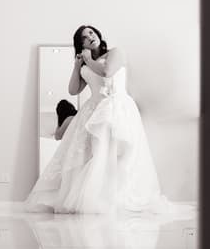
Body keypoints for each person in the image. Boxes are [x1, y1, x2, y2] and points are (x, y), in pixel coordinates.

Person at [24, 25, 172, 214]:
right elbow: (73, 90)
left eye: (91, 33)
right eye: (84, 38)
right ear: (81, 44)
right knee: (93, 155)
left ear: (99, 35)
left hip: (117, 107)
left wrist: (86, 59)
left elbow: (107, 72)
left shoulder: (115, 53)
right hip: (93, 110)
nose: (90, 37)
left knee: (119, 154)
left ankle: (117, 199)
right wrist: (77, 66)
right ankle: (95, 200)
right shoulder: (85, 64)